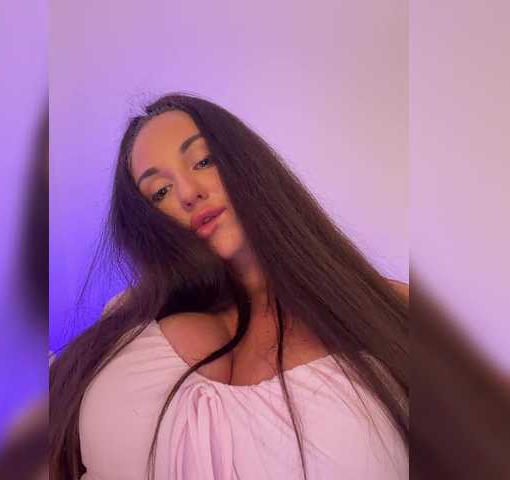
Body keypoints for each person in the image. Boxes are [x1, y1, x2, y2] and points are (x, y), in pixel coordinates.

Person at [50, 93, 409, 480]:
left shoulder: (386, 306)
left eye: (203, 161)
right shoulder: (133, 321)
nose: (188, 193)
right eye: (160, 192)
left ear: (247, 163)